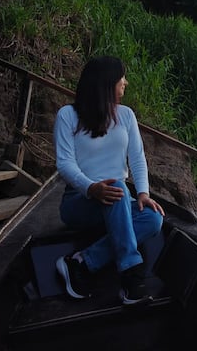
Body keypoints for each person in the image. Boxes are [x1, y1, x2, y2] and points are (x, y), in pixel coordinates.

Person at [54, 56, 165, 305]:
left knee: (153, 218)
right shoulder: (67, 116)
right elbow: (64, 163)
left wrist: (144, 194)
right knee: (118, 189)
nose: (125, 82)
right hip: (78, 201)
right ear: (105, 84)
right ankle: (131, 275)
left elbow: (137, 158)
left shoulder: (126, 116)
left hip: (118, 199)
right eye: (120, 78)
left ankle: (81, 262)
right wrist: (91, 188)